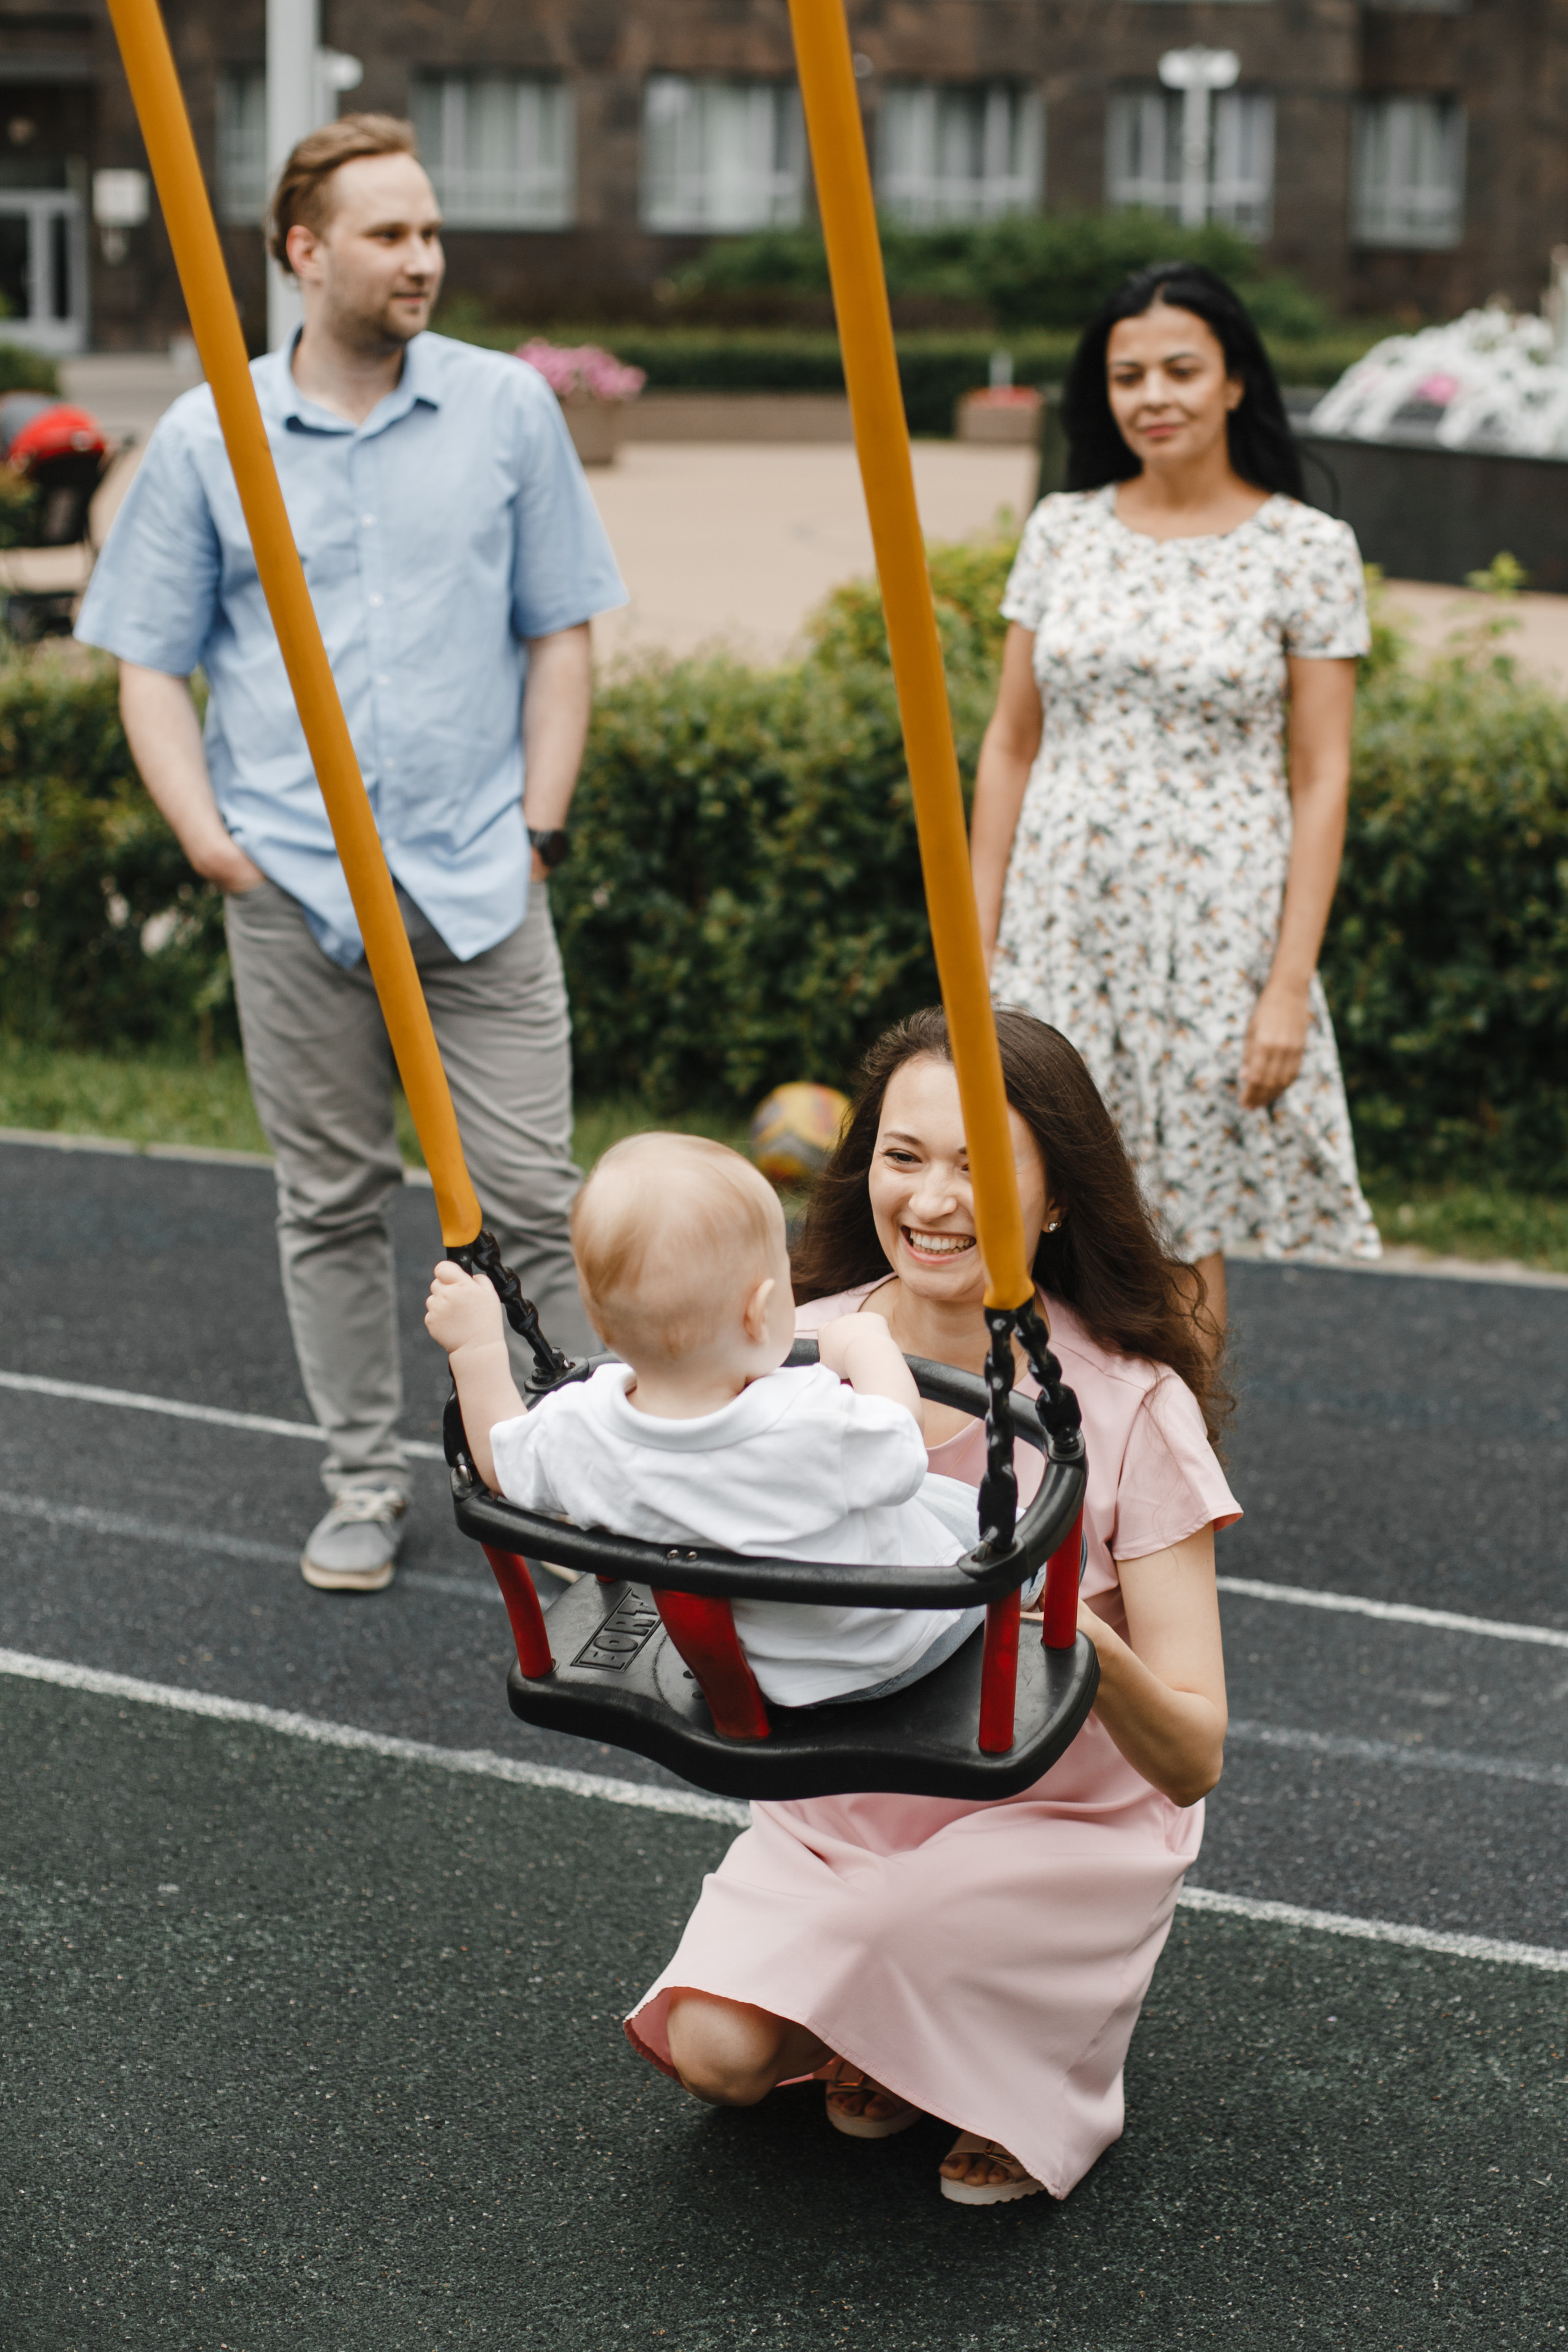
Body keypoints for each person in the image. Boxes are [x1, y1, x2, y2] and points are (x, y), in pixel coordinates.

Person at [74, 114, 627, 1592]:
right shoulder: (212, 434)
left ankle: (576, 1492)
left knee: (531, 1193)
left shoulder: (507, 410)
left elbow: (559, 628)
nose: (424, 258)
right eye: (390, 234)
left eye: (431, 231)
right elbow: (148, 659)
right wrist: (207, 837)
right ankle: (363, 1479)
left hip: (480, 881)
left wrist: (540, 826)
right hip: (298, 891)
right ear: (303, 252)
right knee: (327, 1202)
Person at [622, 1006, 1237, 2207]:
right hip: (845, 1806)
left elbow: (1194, 1754)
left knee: (914, 1928)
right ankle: (892, 2018)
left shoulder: (1122, 1403)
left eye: (977, 1166)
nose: (932, 1199)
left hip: (1050, 1827)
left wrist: (1059, 1623)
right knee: (717, 2059)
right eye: (904, 1158)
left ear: (1055, 1201)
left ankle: (1046, 2071)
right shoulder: (787, 1355)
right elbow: (627, 1471)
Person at [970, 261, 1379, 1346]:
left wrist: (1287, 986)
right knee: (1019, 1206)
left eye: (1182, 369)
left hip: (1214, 939)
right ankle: (1033, 1493)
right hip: (1056, 928)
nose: (1154, 394)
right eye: (1128, 374)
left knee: (1175, 1233)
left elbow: (1321, 775)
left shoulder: (1307, 549)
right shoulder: (1063, 528)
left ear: (1236, 380)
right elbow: (1010, 742)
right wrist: (976, 941)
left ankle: (1174, 1503)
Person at [424, 1130, 997, 1706]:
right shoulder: (808, 1419)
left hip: (768, 1675)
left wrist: (475, 1350)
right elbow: (903, 1452)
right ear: (758, 1311)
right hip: (893, 1649)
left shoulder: (580, 1426)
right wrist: (867, 1345)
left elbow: (498, 1462)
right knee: (964, 1514)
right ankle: (1037, 1581)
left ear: (601, 1321)